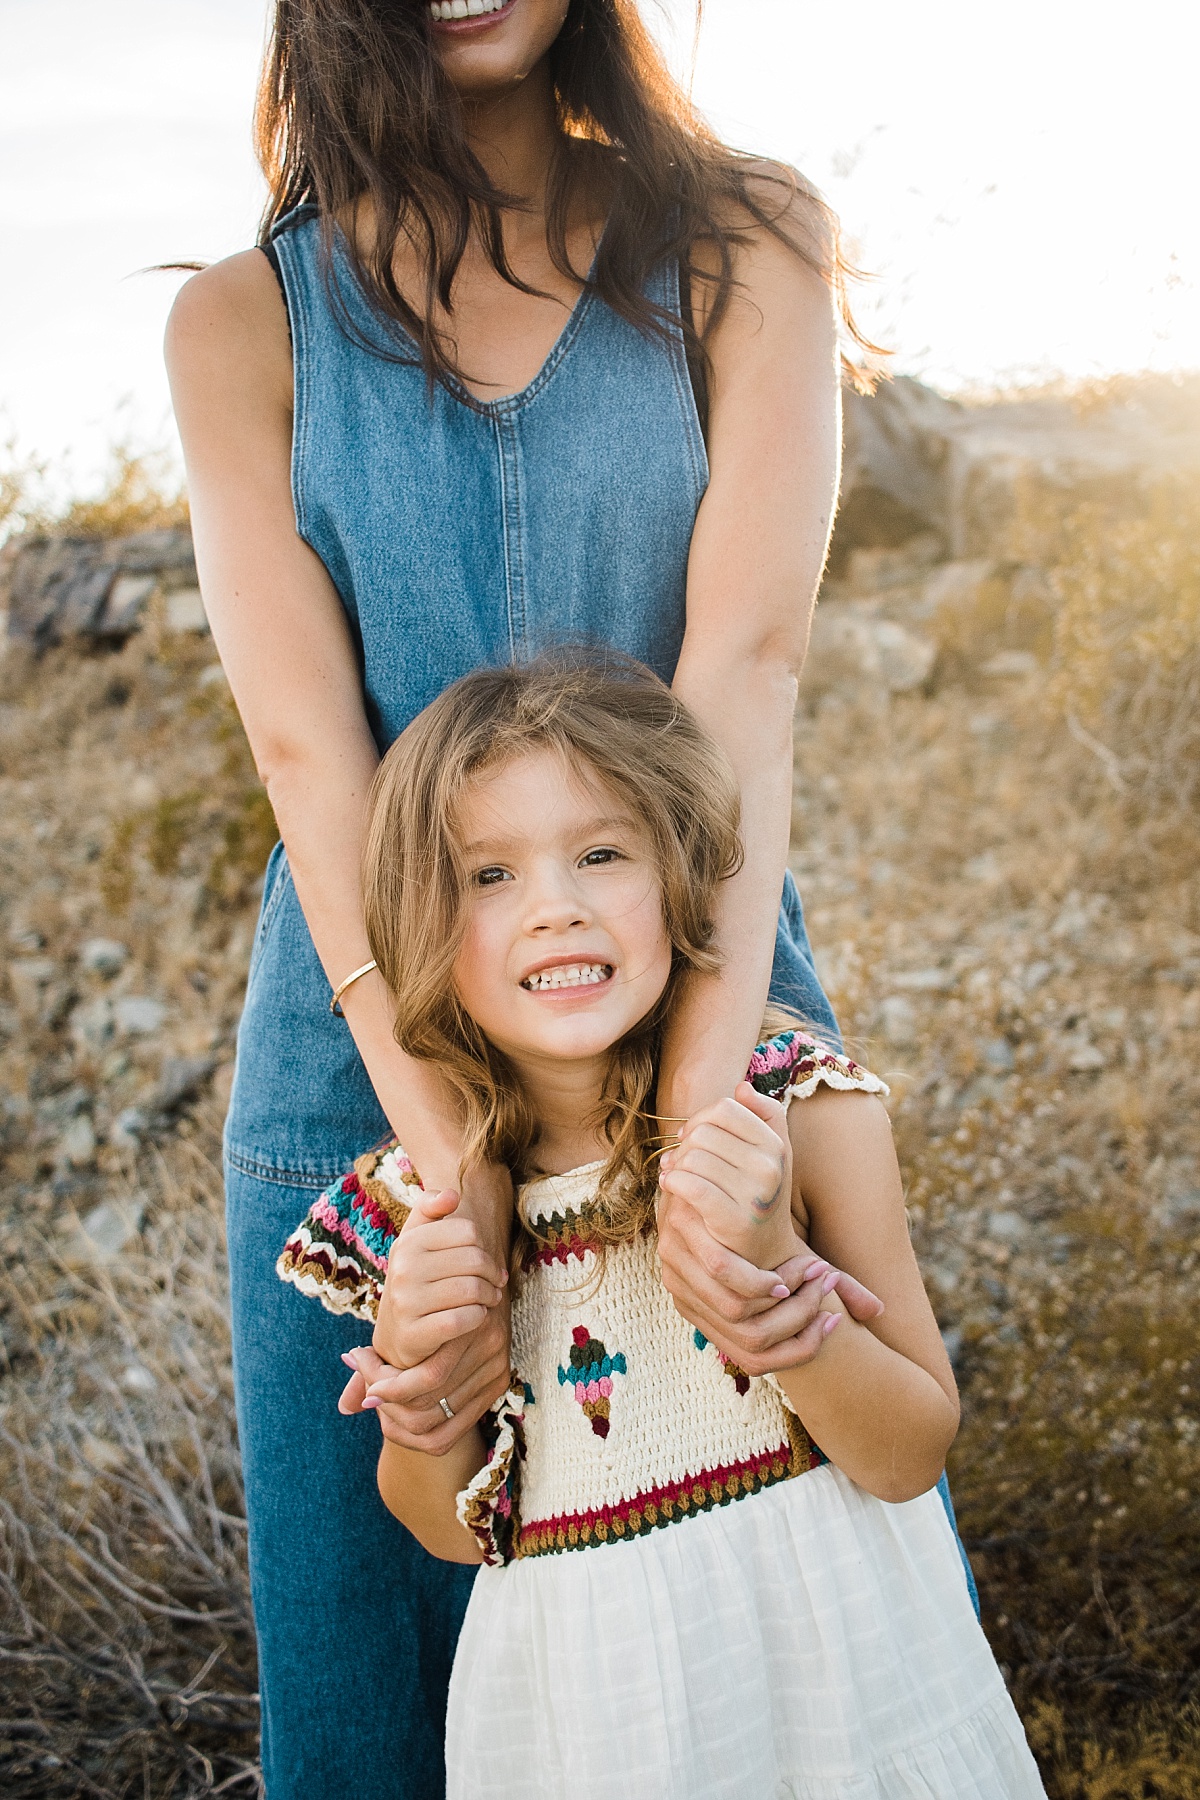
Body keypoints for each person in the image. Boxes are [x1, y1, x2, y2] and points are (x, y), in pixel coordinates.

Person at [165, 3, 968, 1793]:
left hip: (701, 983)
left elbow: (746, 666)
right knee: (384, 1695)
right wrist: (444, 1153)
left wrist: (696, 1113)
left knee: (802, 1611)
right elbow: (309, 757)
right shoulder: (240, 322)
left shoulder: (744, 237)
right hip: (362, 1060)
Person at [286, 656, 1043, 1800]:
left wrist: (776, 1275)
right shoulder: (423, 1206)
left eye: (601, 854)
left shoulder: (797, 1111)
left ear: (683, 874)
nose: (556, 906)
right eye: (488, 874)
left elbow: (909, 1452)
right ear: (422, 930)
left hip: (848, 1679)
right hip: (594, 1728)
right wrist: (417, 1371)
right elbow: (445, 1531)